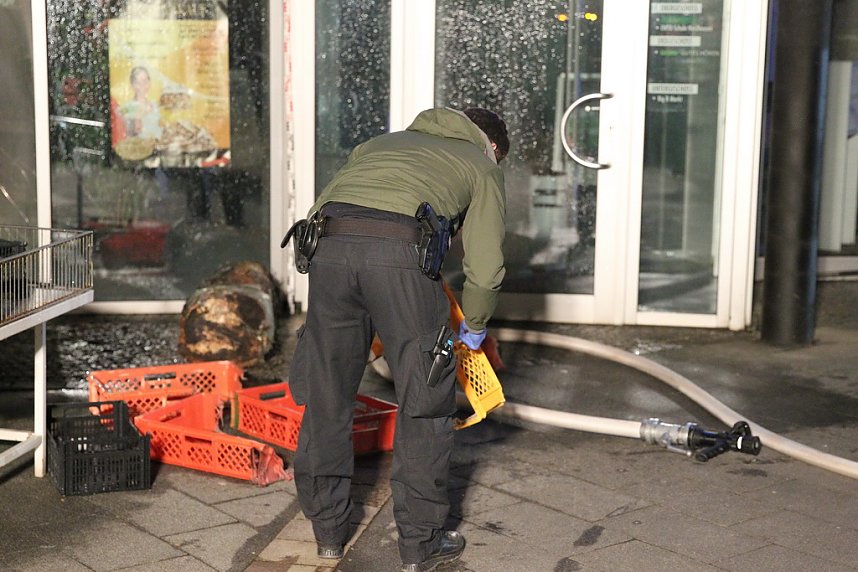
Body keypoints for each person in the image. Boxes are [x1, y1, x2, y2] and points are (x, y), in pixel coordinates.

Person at [287, 107, 509, 571]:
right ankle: (420, 543)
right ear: (492, 147)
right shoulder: (481, 163)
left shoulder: (377, 145)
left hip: (328, 251)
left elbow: (321, 208)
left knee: (327, 395)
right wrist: (474, 326)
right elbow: (485, 266)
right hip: (399, 257)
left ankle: (327, 532)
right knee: (425, 401)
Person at [121, 66, 162, 140]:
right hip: (138, 149)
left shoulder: (156, 106)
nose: (142, 85)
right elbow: (125, 135)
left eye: (145, 81)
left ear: (149, 82)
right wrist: (134, 126)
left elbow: (161, 131)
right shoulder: (126, 108)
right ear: (132, 84)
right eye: (137, 82)